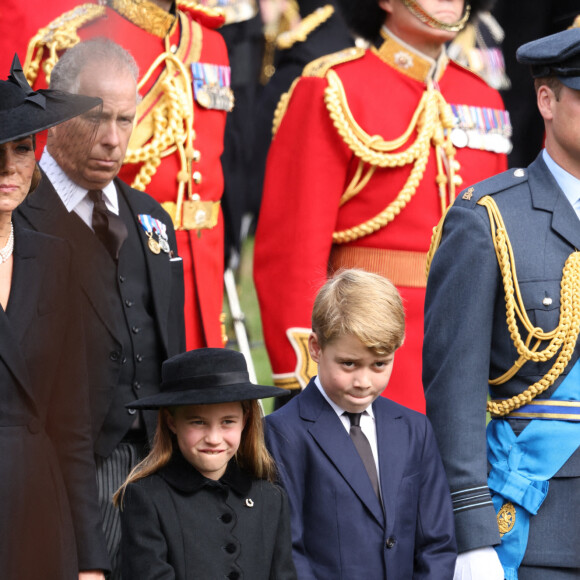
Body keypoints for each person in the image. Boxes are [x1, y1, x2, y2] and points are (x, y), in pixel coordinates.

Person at [254, 0, 509, 413]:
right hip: (363, 353)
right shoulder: (332, 87)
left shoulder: (483, 99)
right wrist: (305, 375)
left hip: (465, 354)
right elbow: (291, 256)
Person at [16, 38, 186, 579]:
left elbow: (167, 339)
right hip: (65, 472)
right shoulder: (16, 215)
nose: (112, 140)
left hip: (161, 463)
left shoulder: (151, 218)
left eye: (126, 121)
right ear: (57, 114)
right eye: (96, 119)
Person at [423, 27, 580, 580]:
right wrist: (471, 538)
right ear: (547, 98)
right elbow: (454, 389)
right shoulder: (488, 217)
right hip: (540, 526)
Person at [24, 0, 232, 349]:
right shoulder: (74, 38)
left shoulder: (209, 41)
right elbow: (47, 176)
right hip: (117, 261)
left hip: (202, 270)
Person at [265, 269, 456, 579]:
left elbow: (437, 543)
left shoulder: (414, 429)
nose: (363, 381)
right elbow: (288, 551)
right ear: (316, 347)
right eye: (349, 364)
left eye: (379, 364)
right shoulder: (281, 434)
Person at [0, 56, 109, 578]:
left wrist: (89, 559)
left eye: (22, 150)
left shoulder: (56, 257)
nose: (8, 169)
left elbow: (72, 424)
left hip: (40, 511)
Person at [114, 347, 297, 579]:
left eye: (227, 421)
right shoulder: (147, 499)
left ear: (246, 421)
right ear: (172, 422)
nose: (213, 438)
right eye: (198, 422)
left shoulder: (271, 498)